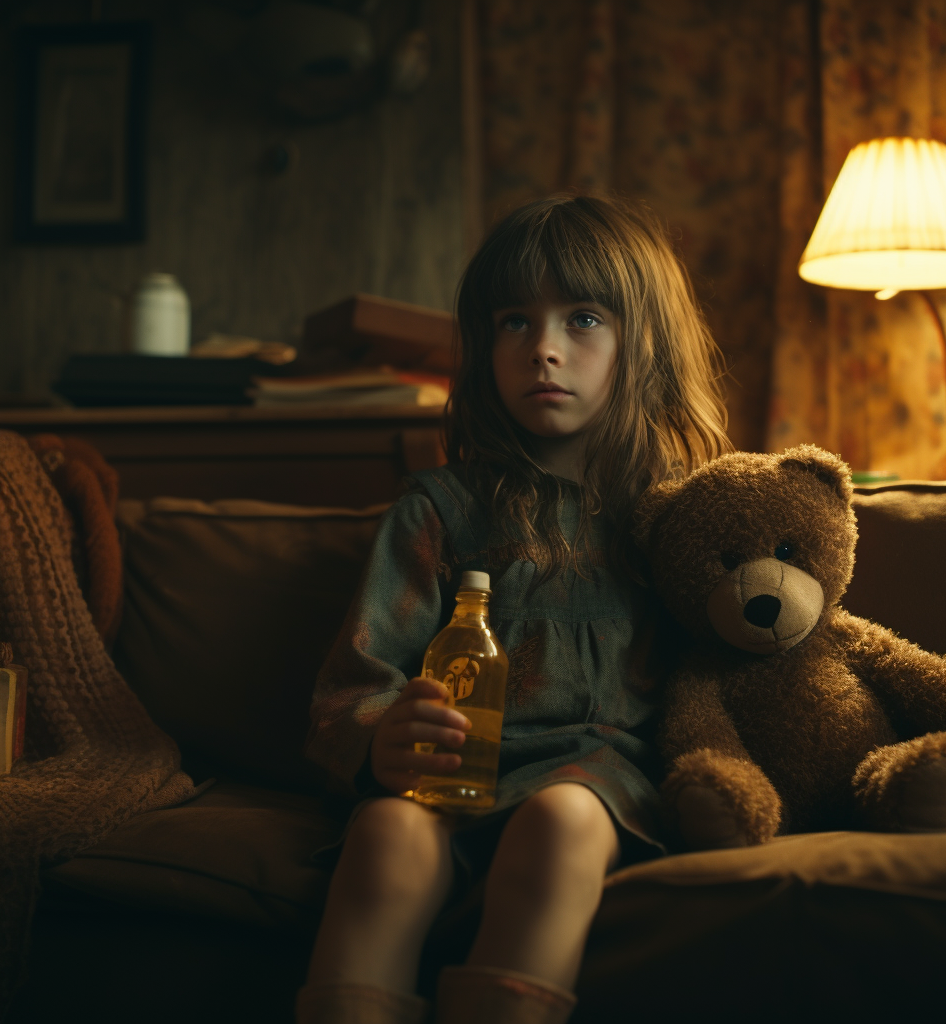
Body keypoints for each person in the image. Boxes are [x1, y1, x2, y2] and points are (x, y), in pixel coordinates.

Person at [297, 194, 731, 1024]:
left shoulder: (676, 518)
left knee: (561, 822)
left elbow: (737, 668)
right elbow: (352, 685)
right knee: (384, 836)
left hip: (597, 782)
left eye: (583, 319)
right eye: (512, 322)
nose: (543, 350)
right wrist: (381, 735)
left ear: (644, 343)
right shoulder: (438, 511)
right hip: (445, 777)